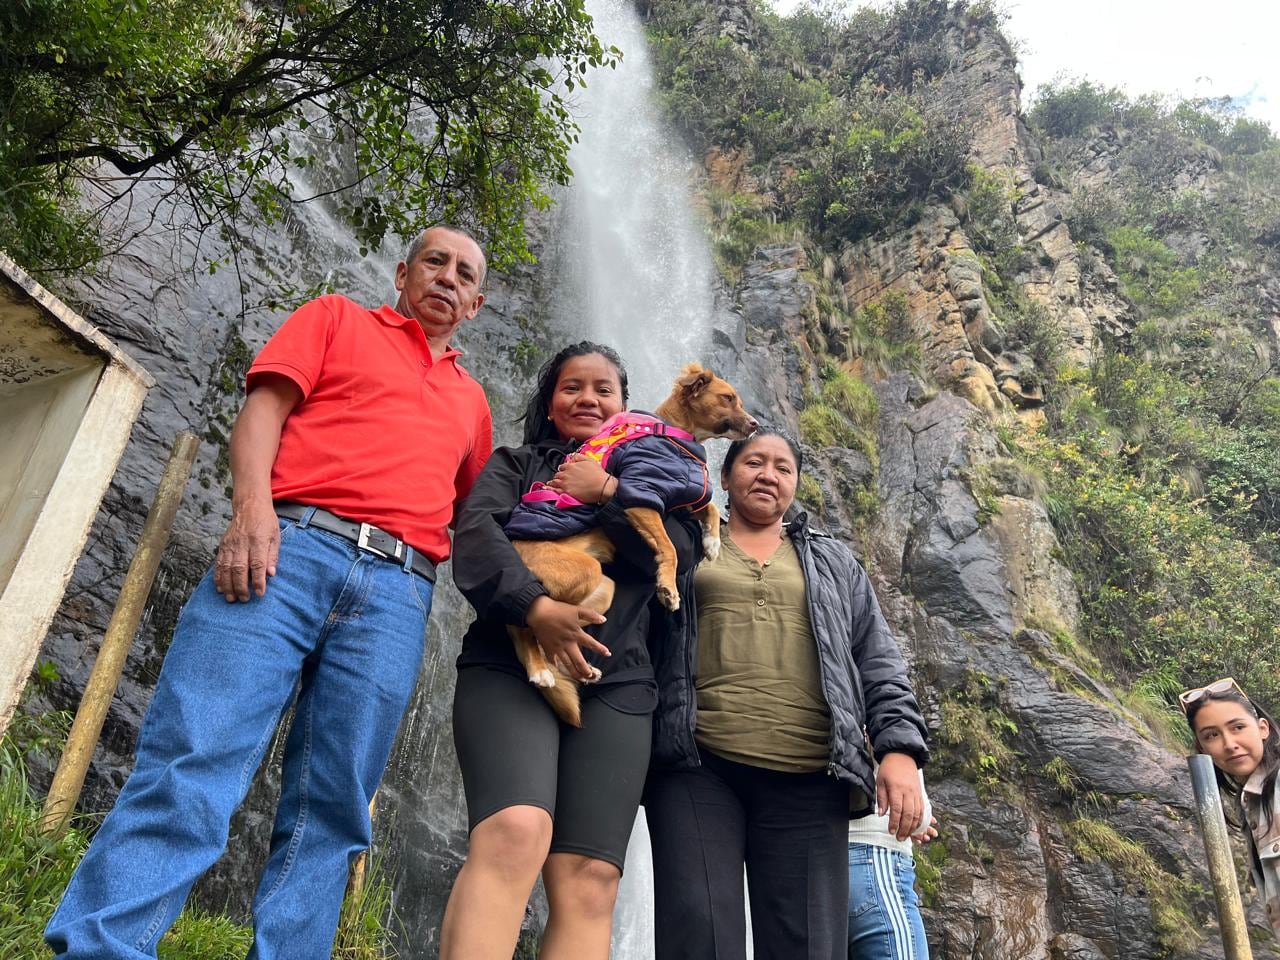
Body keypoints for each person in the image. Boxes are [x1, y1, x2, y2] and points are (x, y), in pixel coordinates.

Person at [46, 225, 493, 960]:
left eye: (463, 272)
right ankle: (103, 948)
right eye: (434, 261)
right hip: (288, 548)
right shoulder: (334, 319)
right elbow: (262, 413)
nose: (447, 277)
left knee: (337, 810)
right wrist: (252, 511)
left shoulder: (472, 403)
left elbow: (478, 521)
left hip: (399, 591)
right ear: (403, 271)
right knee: (195, 755)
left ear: (475, 303)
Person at [441, 342, 702, 960]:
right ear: (550, 404)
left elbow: (679, 556)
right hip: (511, 664)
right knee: (514, 830)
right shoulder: (518, 463)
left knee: (591, 877)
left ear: (625, 408)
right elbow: (476, 541)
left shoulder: (664, 482)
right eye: (571, 388)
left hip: (620, 683)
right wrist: (536, 606)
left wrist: (608, 491)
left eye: (602, 389)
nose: (587, 398)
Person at [646, 428, 930, 960]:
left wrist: (899, 751)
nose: (768, 475)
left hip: (809, 775)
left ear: (795, 485)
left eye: (783, 467)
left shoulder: (833, 562)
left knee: (807, 947)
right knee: (699, 935)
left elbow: (877, 659)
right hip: (696, 767)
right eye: (754, 462)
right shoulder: (683, 545)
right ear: (725, 476)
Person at [1181, 676, 1280, 935]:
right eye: (1212, 735)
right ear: (1201, 747)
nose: (1229, 744)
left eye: (1237, 727)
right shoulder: (1251, 805)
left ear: (1262, 728)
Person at [847, 771, 935, 960]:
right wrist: (915, 819)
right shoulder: (896, 743)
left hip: (814, 860)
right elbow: (916, 814)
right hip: (875, 863)